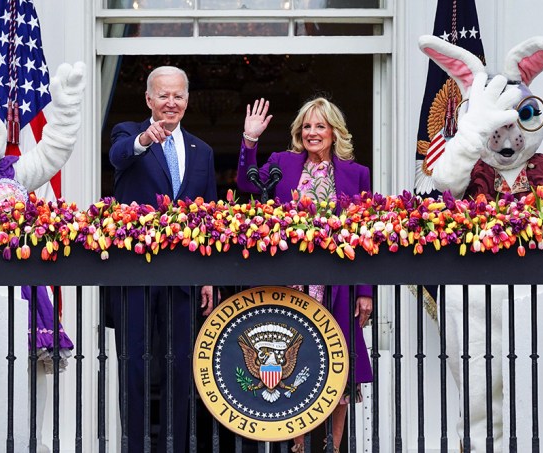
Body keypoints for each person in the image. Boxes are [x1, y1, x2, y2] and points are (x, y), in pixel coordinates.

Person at [236, 97, 373, 453]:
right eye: (307, 126)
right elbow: (247, 185)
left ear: (334, 132)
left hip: (336, 287)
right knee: (294, 361)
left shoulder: (356, 174)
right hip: (291, 285)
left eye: (320, 126)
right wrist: (250, 141)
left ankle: (333, 447)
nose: (313, 133)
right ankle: (296, 445)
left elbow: (364, 235)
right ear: (300, 132)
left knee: (337, 365)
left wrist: (365, 291)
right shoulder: (282, 163)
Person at [108, 66, 218, 453]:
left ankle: (175, 445)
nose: (171, 102)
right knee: (135, 365)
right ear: (149, 100)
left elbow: (208, 221)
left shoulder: (201, 151)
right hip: (136, 274)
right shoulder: (127, 132)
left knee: (180, 366)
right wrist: (143, 139)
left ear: (187, 101)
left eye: (178, 96)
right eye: (163, 95)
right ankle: (135, 447)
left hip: (184, 276)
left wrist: (207, 277)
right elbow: (119, 157)